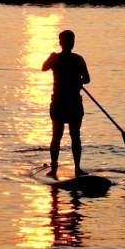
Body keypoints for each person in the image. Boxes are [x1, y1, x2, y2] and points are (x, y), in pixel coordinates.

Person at [42, 29, 90, 178]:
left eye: (72, 41)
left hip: (74, 102)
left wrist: (79, 81)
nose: (70, 43)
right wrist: (50, 58)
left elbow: (87, 79)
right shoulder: (55, 58)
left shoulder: (78, 59)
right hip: (59, 102)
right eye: (67, 41)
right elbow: (43, 68)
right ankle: (53, 168)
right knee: (57, 135)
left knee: (75, 136)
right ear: (61, 43)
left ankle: (77, 168)